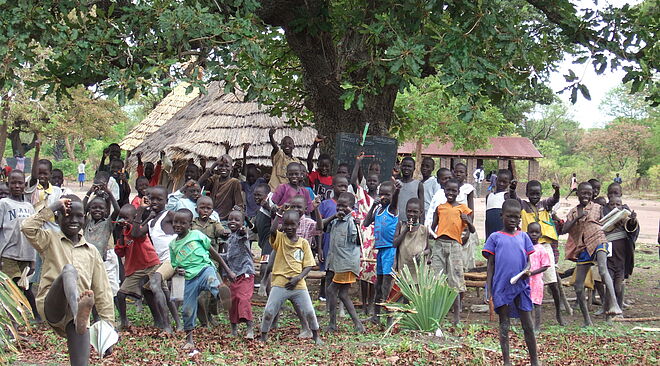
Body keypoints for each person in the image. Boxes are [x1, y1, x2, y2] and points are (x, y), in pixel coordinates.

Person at [22, 196, 114, 366]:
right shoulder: (50, 239)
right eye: (68, 215)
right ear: (58, 218)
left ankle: (79, 314)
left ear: (85, 218)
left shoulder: (92, 251)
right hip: (53, 305)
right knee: (68, 271)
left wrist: (108, 328)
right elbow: (27, 227)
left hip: (77, 320)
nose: (74, 220)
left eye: (79, 216)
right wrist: (54, 206)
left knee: (81, 363)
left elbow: (102, 290)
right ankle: (78, 310)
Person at [483, 199, 539, 366]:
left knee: (528, 324)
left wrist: (526, 271)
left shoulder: (523, 236)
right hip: (502, 286)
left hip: (521, 285)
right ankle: (506, 361)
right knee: (504, 324)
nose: (513, 220)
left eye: (516, 217)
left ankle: (535, 360)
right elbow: (490, 264)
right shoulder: (495, 237)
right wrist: (489, 288)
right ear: (502, 216)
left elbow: (529, 262)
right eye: (509, 216)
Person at [169, 209, 233, 349]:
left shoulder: (197, 235)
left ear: (189, 224)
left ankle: (221, 295)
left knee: (212, 280)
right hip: (188, 278)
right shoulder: (172, 245)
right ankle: (189, 340)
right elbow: (174, 264)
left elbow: (213, 253)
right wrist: (177, 270)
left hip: (204, 269)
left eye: (182, 222)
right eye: (175, 222)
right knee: (187, 310)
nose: (178, 225)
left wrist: (227, 270)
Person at [563, 182, 622, 326]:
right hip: (583, 248)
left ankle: (614, 304)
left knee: (603, 269)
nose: (586, 196)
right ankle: (587, 320)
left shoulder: (598, 208)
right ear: (577, 194)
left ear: (592, 195)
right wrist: (578, 218)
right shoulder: (572, 212)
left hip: (598, 240)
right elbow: (564, 229)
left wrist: (618, 221)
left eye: (589, 194)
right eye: (583, 193)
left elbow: (608, 222)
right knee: (578, 286)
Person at [260, 210, 321, 345]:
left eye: (292, 224)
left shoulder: (303, 243)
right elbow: (272, 231)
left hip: (298, 284)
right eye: (286, 224)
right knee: (269, 311)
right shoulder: (280, 239)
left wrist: (298, 278)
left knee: (310, 311)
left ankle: (316, 336)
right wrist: (278, 215)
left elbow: (309, 265)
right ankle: (263, 336)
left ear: (298, 225)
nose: (289, 228)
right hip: (280, 283)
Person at [512, 180, 565, 326]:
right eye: (531, 193)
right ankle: (520, 313)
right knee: (525, 280)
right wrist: (513, 188)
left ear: (541, 194)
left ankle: (558, 313)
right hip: (527, 247)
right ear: (527, 194)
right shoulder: (523, 205)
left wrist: (557, 190)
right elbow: (513, 197)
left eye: (537, 193)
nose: (534, 196)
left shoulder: (545, 205)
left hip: (544, 247)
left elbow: (555, 200)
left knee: (553, 282)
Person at [132, 186, 181, 332]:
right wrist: (141, 210)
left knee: (155, 284)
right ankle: (164, 321)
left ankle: (167, 326)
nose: (154, 202)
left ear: (166, 201)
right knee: (147, 287)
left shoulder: (169, 215)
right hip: (159, 263)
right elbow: (135, 234)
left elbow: (186, 226)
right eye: (151, 198)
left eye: (159, 199)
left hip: (172, 259)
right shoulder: (151, 220)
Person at [430, 179, 474, 324]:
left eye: (454, 191)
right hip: (440, 244)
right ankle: (436, 314)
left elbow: (471, 229)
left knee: (455, 279)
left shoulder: (463, 208)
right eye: (448, 190)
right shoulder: (440, 208)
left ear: (458, 192)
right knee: (437, 278)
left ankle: (456, 317)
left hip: (455, 245)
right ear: (444, 190)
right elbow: (433, 226)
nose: (450, 193)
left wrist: (467, 220)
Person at [321, 192, 365, 333]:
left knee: (331, 290)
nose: (340, 208)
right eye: (338, 205)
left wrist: (357, 224)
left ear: (351, 207)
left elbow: (358, 241)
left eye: (344, 206)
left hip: (346, 264)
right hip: (337, 263)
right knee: (343, 294)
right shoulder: (334, 221)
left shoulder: (352, 222)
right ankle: (357, 324)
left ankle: (333, 325)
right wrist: (334, 215)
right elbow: (321, 226)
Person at [114, 204, 161, 329]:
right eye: (121, 218)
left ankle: (160, 320)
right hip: (135, 267)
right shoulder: (124, 233)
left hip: (150, 263)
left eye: (126, 218)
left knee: (154, 291)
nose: (123, 221)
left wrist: (139, 215)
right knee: (121, 294)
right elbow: (120, 252)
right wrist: (120, 235)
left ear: (134, 218)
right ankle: (124, 322)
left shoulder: (138, 229)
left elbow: (136, 234)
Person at [0, 170, 39, 321]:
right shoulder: (4, 203)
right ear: (8, 184)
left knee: (25, 286)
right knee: (13, 285)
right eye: (13, 183)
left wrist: (33, 258)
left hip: (26, 253)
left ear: (25, 184)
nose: (17, 186)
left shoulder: (29, 206)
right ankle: (14, 317)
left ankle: (34, 313)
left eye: (20, 183)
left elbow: (33, 233)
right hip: (8, 253)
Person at [363, 180, 400, 327]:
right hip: (380, 249)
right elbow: (366, 223)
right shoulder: (378, 210)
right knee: (378, 285)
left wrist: (397, 191)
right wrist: (373, 205)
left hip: (390, 249)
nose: (384, 197)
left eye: (387, 194)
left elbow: (395, 201)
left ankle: (388, 316)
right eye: (381, 194)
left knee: (387, 285)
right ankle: (376, 316)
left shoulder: (392, 209)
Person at [82, 181, 121, 310]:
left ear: (105, 211)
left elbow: (117, 210)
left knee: (110, 288)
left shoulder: (107, 223)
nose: (97, 210)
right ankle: (95, 314)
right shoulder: (87, 222)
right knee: (92, 288)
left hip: (104, 261)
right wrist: (89, 193)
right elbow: (82, 210)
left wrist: (109, 193)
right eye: (94, 208)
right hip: (88, 261)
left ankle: (117, 313)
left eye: (101, 208)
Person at [192, 195, 230, 327]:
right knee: (202, 295)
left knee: (217, 291)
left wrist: (224, 232)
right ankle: (204, 321)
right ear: (197, 209)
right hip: (196, 264)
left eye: (208, 208)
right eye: (202, 208)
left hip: (212, 263)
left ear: (212, 211)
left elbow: (221, 231)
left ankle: (211, 313)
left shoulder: (214, 224)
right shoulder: (192, 224)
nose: (205, 211)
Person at [350, 154, 378, 315]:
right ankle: (365, 303)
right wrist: (357, 162)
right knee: (363, 270)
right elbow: (353, 180)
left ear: (378, 183)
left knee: (373, 271)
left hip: (375, 238)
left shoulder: (381, 199)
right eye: (370, 181)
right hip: (362, 236)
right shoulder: (362, 194)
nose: (372, 183)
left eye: (375, 181)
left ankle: (372, 303)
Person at [221, 209, 255, 339]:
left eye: (237, 220)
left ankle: (249, 329)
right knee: (233, 301)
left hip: (245, 273)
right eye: (230, 219)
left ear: (242, 223)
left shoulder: (242, 235)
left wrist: (243, 230)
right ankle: (233, 329)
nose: (232, 222)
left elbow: (244, 233)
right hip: (233, 275)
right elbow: (229, 256)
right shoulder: (229, 237)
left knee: (243, 298)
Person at [602, 194, 639, 314]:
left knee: (619, 285)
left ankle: (619, 307)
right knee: (609, 284)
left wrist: (633, 220)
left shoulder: (625, 217)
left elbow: (632, 228)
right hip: (609, 257)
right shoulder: (604, 217)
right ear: (608, 206)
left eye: (618, 204)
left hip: (621, 259)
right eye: (612, 204)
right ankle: (607, 309)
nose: (615, 207)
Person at [317, 175, 349, 301]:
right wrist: (319, 248)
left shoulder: (350, 206)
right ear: (332, 187)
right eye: (340, 186)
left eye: (345, 186)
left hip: (342, 245)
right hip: (327, 242)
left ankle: (338, 296)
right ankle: (323, 294)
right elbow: (320, 227)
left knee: (339, 269)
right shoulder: (325, 204)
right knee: (327, 269)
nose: (343, 189)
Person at [393, 198, 430, 283]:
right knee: (403, 292)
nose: (411, 214)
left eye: (415, 212)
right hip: (403, 268)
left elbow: (428, 249)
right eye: (409, 211)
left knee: (416, 292)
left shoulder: (424, 230)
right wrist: (405, 230)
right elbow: (394, 244)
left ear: (420, 213)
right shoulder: (401, 225)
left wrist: (422, 253)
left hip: (417, 270)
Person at [198, 155, 244, 220]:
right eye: (221, 165)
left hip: (225, 221)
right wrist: (214, 164)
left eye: (227, 166)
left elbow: (239, 205)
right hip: (211, 219)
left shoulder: (234, 182)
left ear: (231, 168)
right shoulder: (214, 179)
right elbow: (199, 184)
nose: (223, 168)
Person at [526, 222, 551, 333]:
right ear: (527, 233)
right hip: (526, 281)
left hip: (536, 282)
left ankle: (537, 326)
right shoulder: (524, 248)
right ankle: (528, 324)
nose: (534, 235)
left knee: (536, 304)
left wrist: (533, 273)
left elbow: (545, 266)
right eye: (531, 232)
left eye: (536, 232)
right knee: (527, 303)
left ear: (541, 234)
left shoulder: (541, 249)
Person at [454, 162, 478, 271]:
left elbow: (471, 211)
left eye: (461, 172)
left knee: (464, 255)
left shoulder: (468, 189)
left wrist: (468, 229)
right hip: (452, 226)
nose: (458, 174)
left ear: (466, 174)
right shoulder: (450, 188)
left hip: (464, 226)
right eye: (456, 171)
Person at [485, 169, 513, 239]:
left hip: (503, 234)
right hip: (490, 232)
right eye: (499, 181)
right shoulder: (489, 196)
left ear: (509, 183)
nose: (501, 184)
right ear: (496, 179)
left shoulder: (507, 196)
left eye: (504, 182)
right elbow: (487, 216)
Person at [396, 156, 424, 223]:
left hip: (412, 223)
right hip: (396, 222)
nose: (406, 168)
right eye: (404, 166)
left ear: (414, 168)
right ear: (400, 167)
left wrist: (421, 225)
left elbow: (421, 208)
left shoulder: (418, 184)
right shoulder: (396, 183)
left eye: (409, 166)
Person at [306, 135, 333, 200]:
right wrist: (315, 144)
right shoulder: (314, 176)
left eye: (326, 166)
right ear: (317, 165)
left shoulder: (333, 180)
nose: (324, 168)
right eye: (322, 166)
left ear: (331, 166)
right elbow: (309, 161)